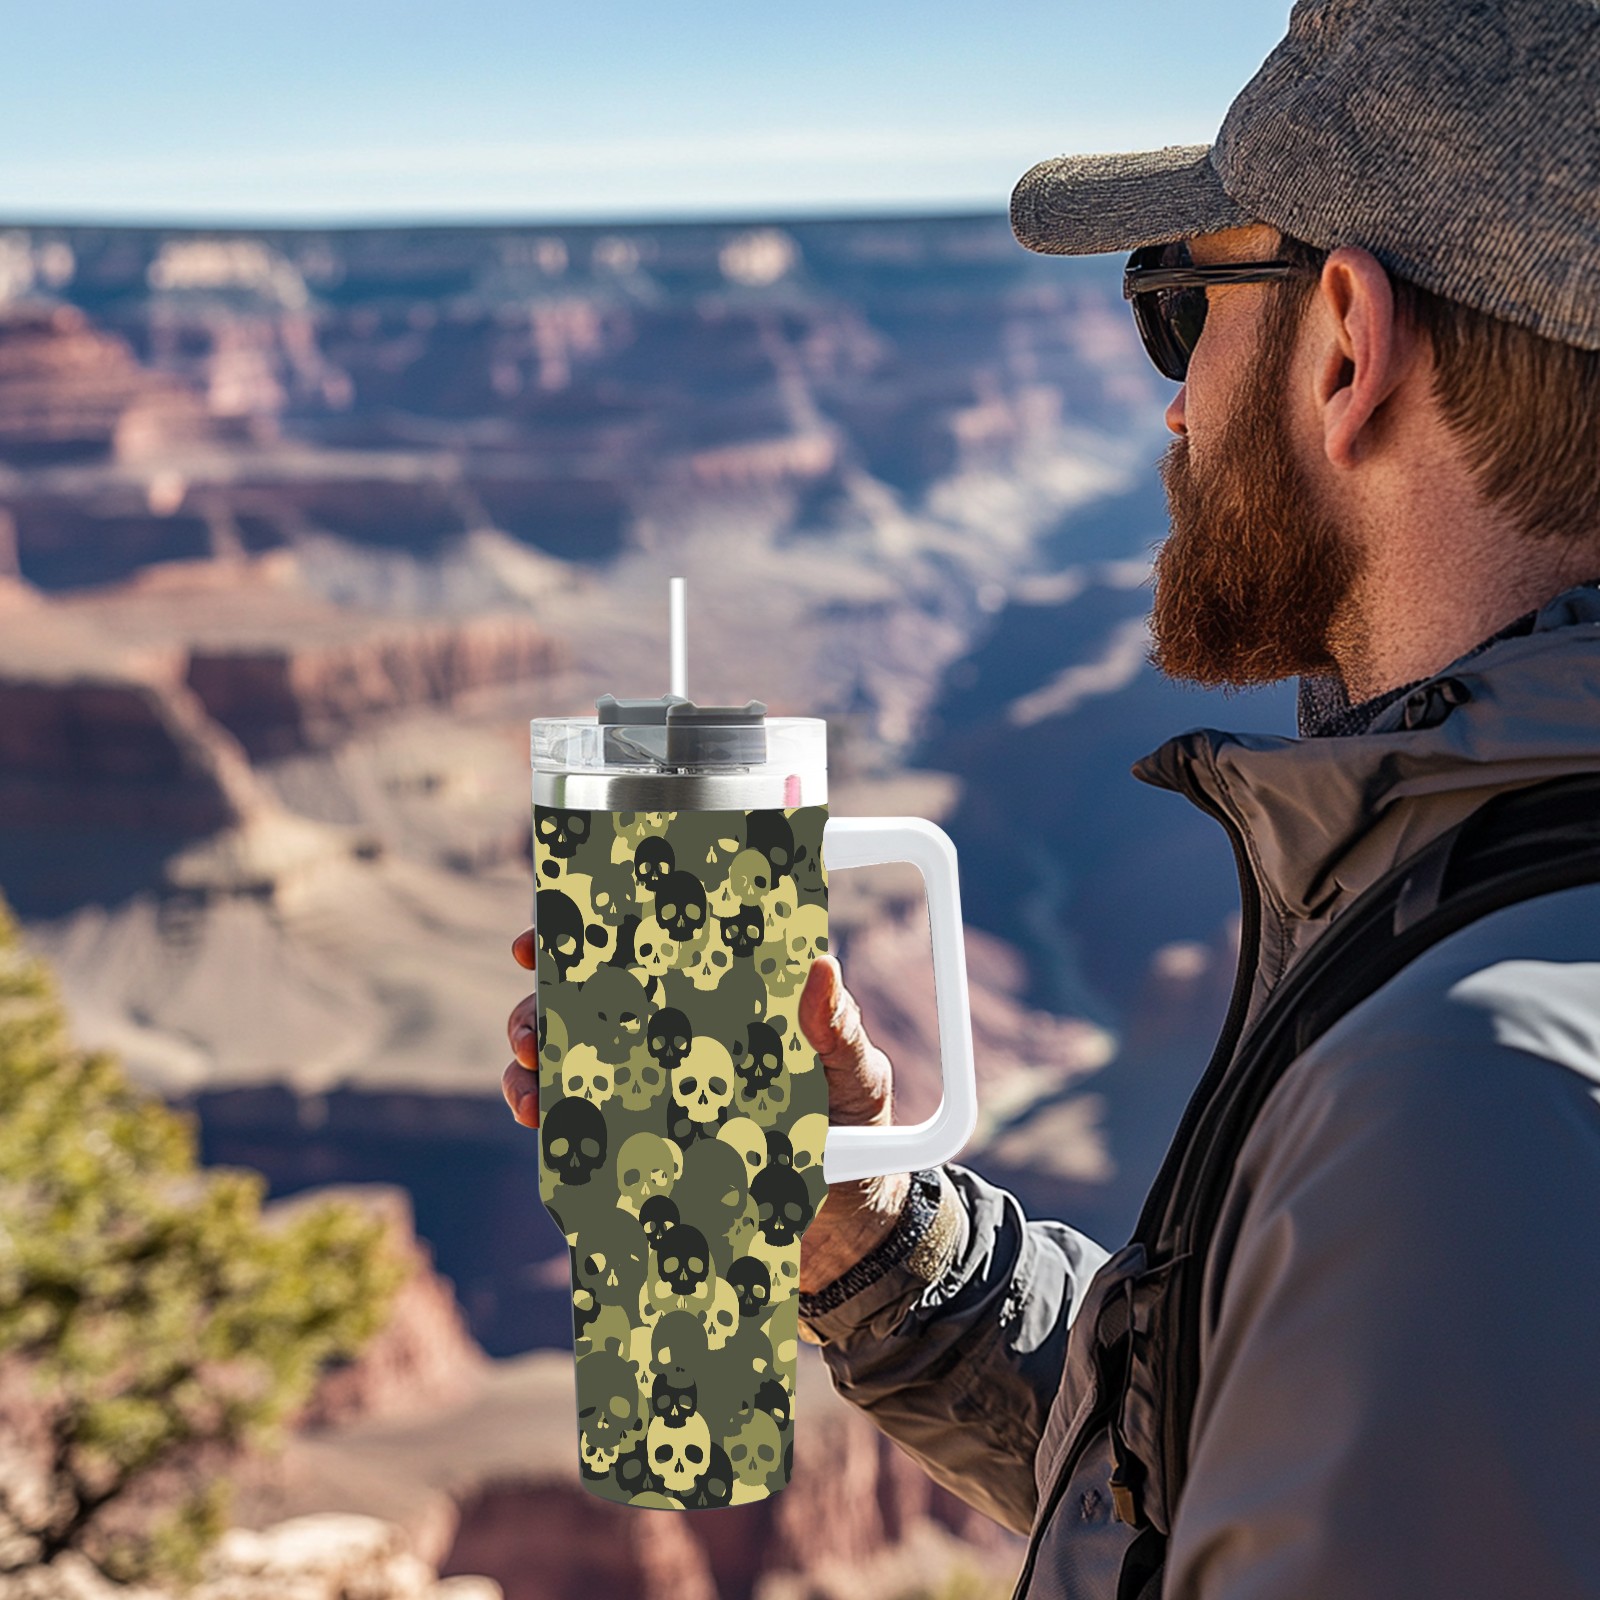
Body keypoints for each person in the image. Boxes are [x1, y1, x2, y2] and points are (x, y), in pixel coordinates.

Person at [505, 0, 1600, 1590]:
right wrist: (863, 1221)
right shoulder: (1492, 968)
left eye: (1182, 305)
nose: (1173, 402)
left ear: (1346, 344)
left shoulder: (1460, 1105)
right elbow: (1236, 1470)